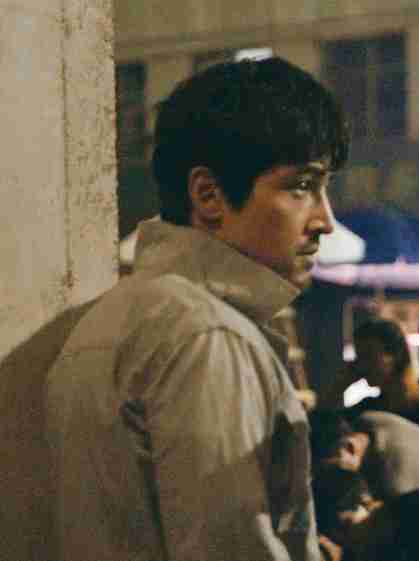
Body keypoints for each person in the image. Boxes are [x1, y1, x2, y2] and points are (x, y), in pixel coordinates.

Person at [45, 57, 348, 561]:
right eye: (301, 186)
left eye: (324, 188)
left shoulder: (118, 316)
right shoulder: (205, 335)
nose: (325, 220)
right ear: (208, 195)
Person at [346, 318, 419, 448]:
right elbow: (331, 430)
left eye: (368, 356)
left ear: (396, 355)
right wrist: (340, 385)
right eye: (358, 357)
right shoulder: (368, 410)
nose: (361, 366)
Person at [310, 410, 419, 502]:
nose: (326, 478)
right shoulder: (370, 418)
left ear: (349, 448)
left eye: (326, 471)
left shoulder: (392, 483)